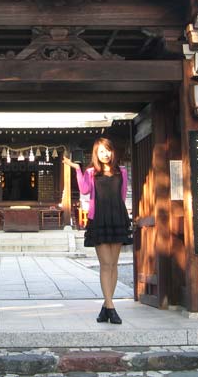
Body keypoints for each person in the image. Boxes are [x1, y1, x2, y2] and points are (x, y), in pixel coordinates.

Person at [63, 137, 132, 324]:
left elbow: (123, 194)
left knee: (114, 264)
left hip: (117, 217)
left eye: (108, 150)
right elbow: (84, 190)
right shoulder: (91, 172)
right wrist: (77, 169)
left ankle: (106, 306)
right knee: (105, 264)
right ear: (96, 154)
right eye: (102, 151)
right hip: (99, 218)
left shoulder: (122, 172)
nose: (105, 154)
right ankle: (111, 307)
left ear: (112, 152)